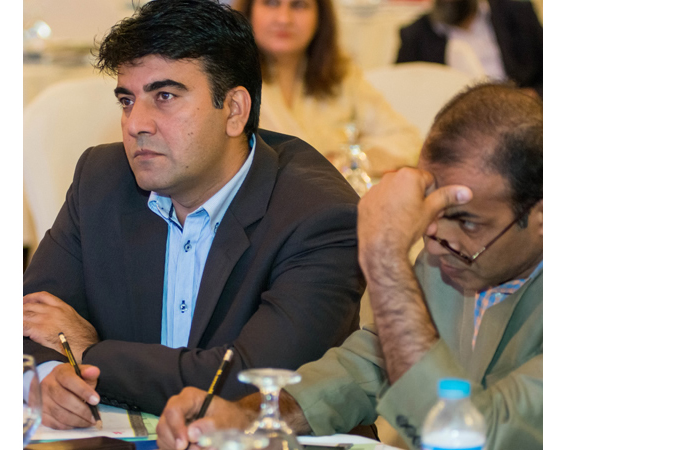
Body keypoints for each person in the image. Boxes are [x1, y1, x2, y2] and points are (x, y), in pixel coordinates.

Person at [22, 0, 366, 429]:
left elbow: (247, 388)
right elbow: (29, 320)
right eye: (127, 100)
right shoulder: (101, 179)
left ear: (234, 110)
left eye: (164, 97)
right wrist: (47, 375)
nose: (135, 124)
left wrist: (89, 354)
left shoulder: (319, 215)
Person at [155, 83, 543, 450]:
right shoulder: (454, 257)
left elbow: (469, 437)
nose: (437, 240)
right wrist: (251, 416)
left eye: (468, 222)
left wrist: (386, 259)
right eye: (430, 209)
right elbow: (369, 365)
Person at [232, 0, 422, 177]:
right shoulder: (227, 79)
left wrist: (345, 161)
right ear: (249, 10)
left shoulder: (342, 76)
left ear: (321, 16)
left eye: (299, 5)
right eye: (271, 3)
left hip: (333, 198)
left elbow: (407, 140)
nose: (284, 19)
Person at [396, 0, 543, 96]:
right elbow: (401, 92)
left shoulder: (516, 12)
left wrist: (534, 94)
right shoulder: (416, 36)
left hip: (521, 111)